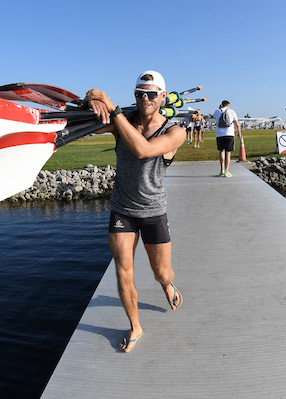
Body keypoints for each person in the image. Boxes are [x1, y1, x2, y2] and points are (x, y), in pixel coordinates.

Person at [85, 70, 186, 353]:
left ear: (163, 97)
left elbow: (143, 150)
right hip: (122, 210)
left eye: (151, 94)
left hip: (153, 210)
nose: (145, 99)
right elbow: (89, 126)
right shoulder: (122, 122)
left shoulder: (176, 130)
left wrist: (113, 108)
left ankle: (168, 285)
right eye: (139, 94)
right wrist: (92, 102)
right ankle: (135, 326)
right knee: (123, 271)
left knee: (161, 272)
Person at [214, 100, 241, 177]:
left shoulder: (217, 111)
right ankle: (227, 170)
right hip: (229, 134)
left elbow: (215, 117)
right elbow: (237, 124)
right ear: (228, 105)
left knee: (221, 151)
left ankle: (222, 169)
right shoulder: (232, 111)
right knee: (228, 153)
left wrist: (219, 108)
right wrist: (239, 133)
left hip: (219, 134)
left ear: (221, 105)